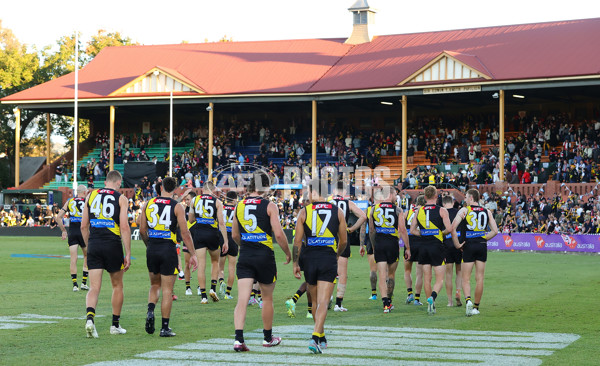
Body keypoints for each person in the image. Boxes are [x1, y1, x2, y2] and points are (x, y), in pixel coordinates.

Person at [232, 172, 291, 352]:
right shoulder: (269, 205)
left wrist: (247, 245)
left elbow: (235, 235)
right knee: (267, 298)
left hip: (246, 255)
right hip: (265, 255)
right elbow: (279, 234)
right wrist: (288, 253)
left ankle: (238, 339)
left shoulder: (239, 205)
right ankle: (267, 338)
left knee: (242, 298)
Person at [139, 177, 199, 337]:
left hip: (152, 247)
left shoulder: (148, 204)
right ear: (174, 189)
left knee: (154, 285)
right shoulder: (177, 206)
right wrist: (193, 254)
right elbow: (185, 233)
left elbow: (142, 229)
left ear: (160, 187)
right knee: (167, 290)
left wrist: (149, 245)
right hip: (168, 248)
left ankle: (150, 311)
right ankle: (164, 327)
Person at [293, 179, 347, 353]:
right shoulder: (337, 211)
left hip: (309, 258)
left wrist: (295, 262)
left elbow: (297, 241)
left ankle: (321, 336)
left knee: (315, 301)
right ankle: (316, 337)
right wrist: (337, 254)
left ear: (312, 192)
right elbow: (344, 240)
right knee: (324, 301)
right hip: (327, 257)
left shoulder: (304, 212)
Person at [81, 170, 131, 338]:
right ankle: (115, 325)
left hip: (94, 244)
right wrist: (128, 252)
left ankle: (89, 320)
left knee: (94, 287)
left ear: (105, 181)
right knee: (117, 285)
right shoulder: (121, 198)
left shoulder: (90, 195)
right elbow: (124, 227)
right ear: (118, 182)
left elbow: (83, 226)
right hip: (112, 244)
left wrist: (88, 248)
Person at [451, 188, 499, 316]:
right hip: (481, 245)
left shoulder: (465, 210)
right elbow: (495, 231)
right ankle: (476, 307)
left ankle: (468, 301)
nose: (465, 200)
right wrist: (483, 238)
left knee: (466, 278)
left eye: (466, 197)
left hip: (469, 245)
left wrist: (457, 244)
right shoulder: (487, 211)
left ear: (471, 198)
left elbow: (452, 228)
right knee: (480, 278)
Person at [410, 185, 453, 315]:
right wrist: (439, 233)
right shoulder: (442, 210)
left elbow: (412, 230)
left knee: (427, 278)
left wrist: (424, 234)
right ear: (436, 196)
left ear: (425, 196)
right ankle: (432, 298)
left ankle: (430, 306)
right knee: (439, 279)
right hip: (437, 246)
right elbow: (449, 229)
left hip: (423, 246)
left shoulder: (418, 211)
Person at [369, 188, 410, 313]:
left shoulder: (373, 209)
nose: (396, 197)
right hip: (392, 244)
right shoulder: (398, 210)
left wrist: (374, 245)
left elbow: (371, 230)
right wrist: (407, 247)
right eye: (395, 195)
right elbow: (403, 230)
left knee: (381, 275)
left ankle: (385, 304)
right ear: (390, 194)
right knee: (391, 275)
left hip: (379, 243)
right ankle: (390, 301)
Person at [327, 181, 366, 312]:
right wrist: (352, 228)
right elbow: (363, 216)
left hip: (328, 238)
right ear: (344, 192)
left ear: (334, 191)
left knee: (328, 270)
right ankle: (338, 304)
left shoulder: (327, 203)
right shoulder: (348, 203)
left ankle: (327, 298)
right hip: (343, 236)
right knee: (342, 273)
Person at [188, 181, 228, 303]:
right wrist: (225, 240)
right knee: (215, 261)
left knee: (201, 264)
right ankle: (213, 289)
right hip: (212, 234)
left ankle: (204, 296)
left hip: (199, 233)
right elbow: (221, 223)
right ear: (212, 190)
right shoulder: (217, 202)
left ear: (203, 189)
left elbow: (190, 219)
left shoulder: (194, 200)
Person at [57, 185, 89, 292]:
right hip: (83, 232)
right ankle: (84, 283)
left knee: (73, 259)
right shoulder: (87, 202)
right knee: (86, 256)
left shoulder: (70, 201)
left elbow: (58, 217)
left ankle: (75, 285)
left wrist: (63, 231)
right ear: (84, 192)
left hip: (72, 232)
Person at [403, 195, 425, 306]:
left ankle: (409, 293)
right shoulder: (425, 212)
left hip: (409, 243)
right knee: (419, 273)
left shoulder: (407, 212)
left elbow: (401, 228)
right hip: (421, 242)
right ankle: (417, 299)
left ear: (415, 203)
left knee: (407, 270)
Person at [218, 191, 239, 300]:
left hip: (222, 237)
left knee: (220, 267)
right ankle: (228, 293)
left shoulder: (221, 208)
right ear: (235, 199)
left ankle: (221, 281)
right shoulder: (237, 209)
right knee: (232, 268)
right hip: (233, 238)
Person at [442, 195, 462, 307]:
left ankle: (450, 302)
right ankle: (458, 292)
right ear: (453, 203)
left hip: (447, 245)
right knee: (459, 271)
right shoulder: (458, 212)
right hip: (458, 244)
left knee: (448, 274)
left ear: (444, 204)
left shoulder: (442, 213)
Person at [359, 202, 378, 300]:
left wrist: (361, 245)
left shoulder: (367, 210)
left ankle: (374, 293)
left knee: (373, 269)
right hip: (385, 238)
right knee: (387, 270)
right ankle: (387, 294)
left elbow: (363, 229)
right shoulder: (389, 208)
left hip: (371, 240)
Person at [181, 191, 196, 296]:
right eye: (185, 199)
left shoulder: (198, 210)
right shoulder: (183, 210)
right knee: (187, 264)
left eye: (188, 199)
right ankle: (188, 287)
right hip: (187, 240)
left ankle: (200, 287)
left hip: (197, 239)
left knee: (199, 264)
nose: (186, 201)